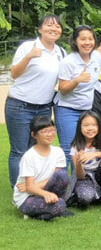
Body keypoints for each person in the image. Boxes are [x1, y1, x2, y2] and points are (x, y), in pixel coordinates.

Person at [7, 14, 66, 188]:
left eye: (57, 26)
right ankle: (18, 191)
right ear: (39, 29)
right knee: (19, 150)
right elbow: (14, 74)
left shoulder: (60, 52)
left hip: (44, 107)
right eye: (49, 25)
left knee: (37, 149)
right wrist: (29, 57)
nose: (53, 29)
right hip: (20, 105)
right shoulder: (28, 47)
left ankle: (34, 186)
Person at [54, 25, 101, 169]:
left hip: (86, 110)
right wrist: (76, 80)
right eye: (83, 39)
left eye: (90, 38)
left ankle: (79, 187)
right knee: (69, 150)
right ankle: (62, 187)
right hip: (67, 109)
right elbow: (62, 89)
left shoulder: (97, 56)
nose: (87, 42)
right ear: (75, 41)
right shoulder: (67, 62)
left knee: (83, 149)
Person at [13, 115, 72, 220]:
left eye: (52, 130)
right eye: (44, 131)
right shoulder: (29, 156)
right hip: (26, 197)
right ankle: (37, 212)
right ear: (34, 135)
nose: (50, 134)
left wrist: (34, 187)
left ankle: (43, 211)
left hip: (42, 190)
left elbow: (56, 178)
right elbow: (30, 188)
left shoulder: (58, 152)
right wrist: (43, 193)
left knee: (63, 175)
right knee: (60, 205)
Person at [66, 111, 101, 212]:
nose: (90, 128)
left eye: (94, 125)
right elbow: (80, 176)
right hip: (86, 177)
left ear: (99, 126)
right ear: (80, 127)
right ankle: (86, 194)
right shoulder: (75, 146)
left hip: (100, 174)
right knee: (85, 198)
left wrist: (94, 154)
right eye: (86, 125)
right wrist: (79, 162)